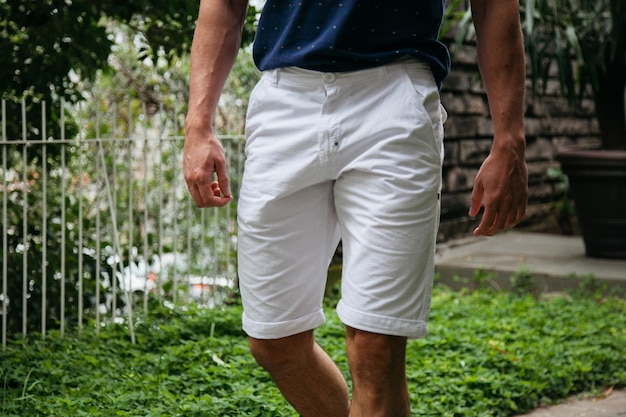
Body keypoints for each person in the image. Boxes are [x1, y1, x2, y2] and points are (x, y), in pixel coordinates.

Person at [183, 0, 528, 415]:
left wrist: (509, 138)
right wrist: (198, 125)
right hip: (284, 101)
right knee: (274, 341)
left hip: (393, 99)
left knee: (376, 345)